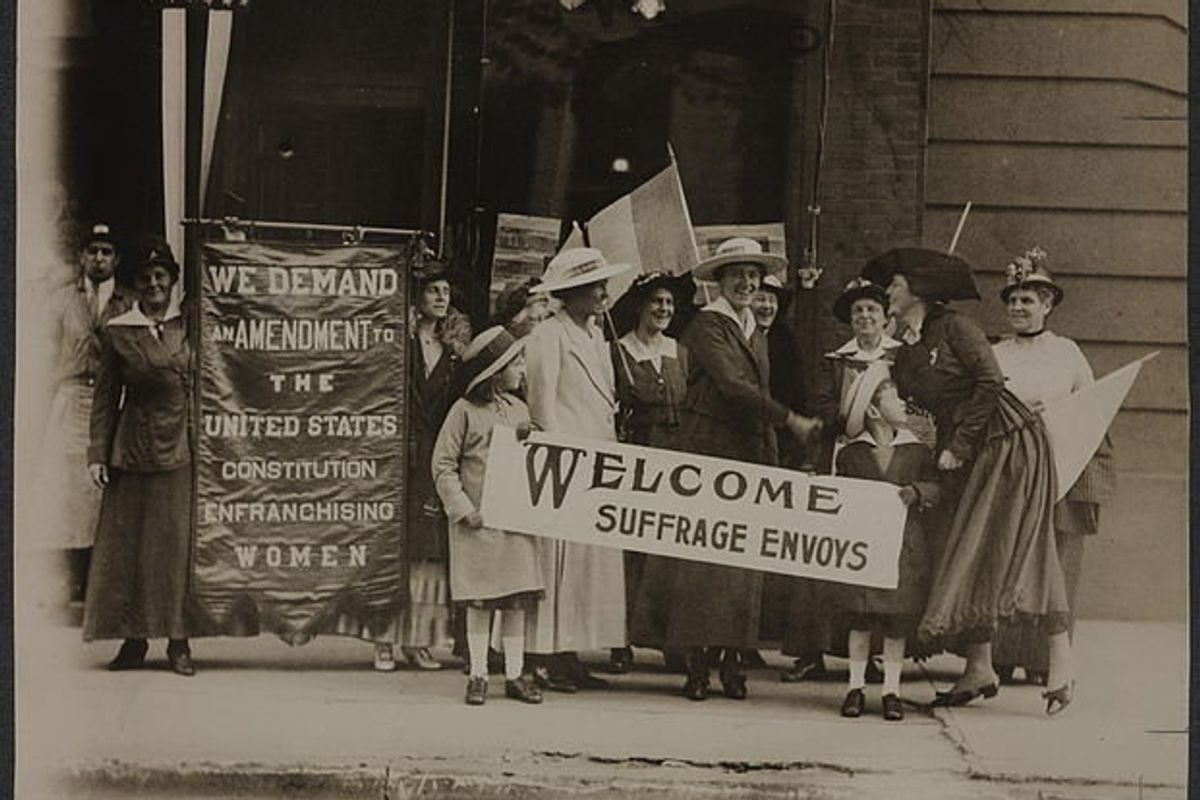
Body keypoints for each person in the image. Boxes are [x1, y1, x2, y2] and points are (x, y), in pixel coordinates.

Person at [864, 246, 1075, 715]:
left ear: (918, 290)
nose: (888, 292)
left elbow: (991, 382)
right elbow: (913, 405)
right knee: (970, 546)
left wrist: (958, 446)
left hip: (1006, 441)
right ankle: (979, 667)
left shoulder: (957, 327)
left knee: (1018, 545)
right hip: (965, 447)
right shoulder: (909, 345)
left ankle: (1062, 662)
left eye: (895, 285)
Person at [666, 237, 821, 701]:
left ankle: (733, 662)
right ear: (719, 281)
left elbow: (759, 389)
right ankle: (697, 665)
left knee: (743, 560)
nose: (747, 283)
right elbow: (733, 386)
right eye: (737, 275)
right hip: (710, 449)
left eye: (753, 275)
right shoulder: (707, 325)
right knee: (704, 559)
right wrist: (789, 420)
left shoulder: (755, 327)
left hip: (750, 451)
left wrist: (772, 451)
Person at [988, 248, 1117, 685]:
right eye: (1012, 299)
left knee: (1058, 560)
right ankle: (1002, 655)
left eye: (1028, 299)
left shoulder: (1067, 352)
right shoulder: (996, 353)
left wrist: (1058, 413)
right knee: (1009, 553)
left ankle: (1046, 660)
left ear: (1047, 304)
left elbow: (1093, 407)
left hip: (1062, 464)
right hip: (1013, 466)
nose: (1018, 307)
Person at [780, 277, 902, 683]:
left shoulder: (901, 358)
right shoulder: (835, 361)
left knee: (875, 555)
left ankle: (870, 655)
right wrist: (855, 411)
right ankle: (810, 651)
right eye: (857, 311)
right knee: (823, 553)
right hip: (840, 460)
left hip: (886, 465)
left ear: (885, 318)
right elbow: (819, 404)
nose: (865, 316)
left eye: (872, 310)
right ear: (850, 320)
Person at [84, 238, 197, 676]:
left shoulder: (188, 325)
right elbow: (105, 397)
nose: (153, 284)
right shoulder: (119, 330)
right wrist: (97, 453)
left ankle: (178, 641)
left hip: (180, 449)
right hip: (132, 450)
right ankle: (134, 641)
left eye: (161, 276)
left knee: (174, 550)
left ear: (173, 281)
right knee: (130, 549)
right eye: (145, 278)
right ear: (135, 284)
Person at [523, 247, 632, 692]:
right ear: (571, 293)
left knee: (587, 567)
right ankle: (543, 657)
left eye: (603, 285)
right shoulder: (548, 336)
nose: (604, 293)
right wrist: (555, 457)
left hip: (597, 462)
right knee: (558, 564)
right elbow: (542, 404)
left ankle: (569, 653)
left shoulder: (596, 336)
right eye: (594, 286)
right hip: (565, 464)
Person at [432, 326, 545, 706]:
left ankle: (515, 674)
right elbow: (443, 464)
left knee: (515, 601)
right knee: (480, 602)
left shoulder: (519, 410)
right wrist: (464, 509)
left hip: (514, 523)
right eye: (516, 363)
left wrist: (535, 439)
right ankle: (478, 673)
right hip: (478, 526)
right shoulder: (463, 412)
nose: (522, 370)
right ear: (495, 372)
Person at [828, 362, 940, 721]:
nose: (903, 404)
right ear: (874, 411)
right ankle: (855, 686)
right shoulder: (851, 455)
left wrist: (919, 492)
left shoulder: (918, 452)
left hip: (904, 550)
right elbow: (838, 497)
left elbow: (938, 488)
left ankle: (892, 690)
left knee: (896, 622)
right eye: (894, 399)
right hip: (864, 550)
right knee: (860, 619)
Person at [375, 261, 472, 672]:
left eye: (445, 291)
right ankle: (383, 640)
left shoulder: (453, 352)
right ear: (417, 296)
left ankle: (417, 640)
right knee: (392, 547)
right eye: (433, 290)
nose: (441, 298)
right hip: (398, 451)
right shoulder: (398, 342)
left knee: (427, 549)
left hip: (434, 453)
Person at [33, 222, 132, 613]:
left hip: (113, 399)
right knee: (64, 486)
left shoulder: (129, 302)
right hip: (72, 394)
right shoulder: (61, 301)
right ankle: (70, 577)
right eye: (93, 251)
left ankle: (101, 579)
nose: (99, 258)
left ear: (116, 259)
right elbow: (42, 354)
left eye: (106, 251)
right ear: (82, 256)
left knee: (104, 485)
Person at [607, 272, 692, 673]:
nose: (664, 309)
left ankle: (669, 640)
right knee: (631, 550)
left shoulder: (681, 352)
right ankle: (620, 639)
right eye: (657, 301)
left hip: (675, 461)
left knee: (669, 551)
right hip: (636, 456)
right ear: (640, 306)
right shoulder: (617, 351)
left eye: (669, 303)